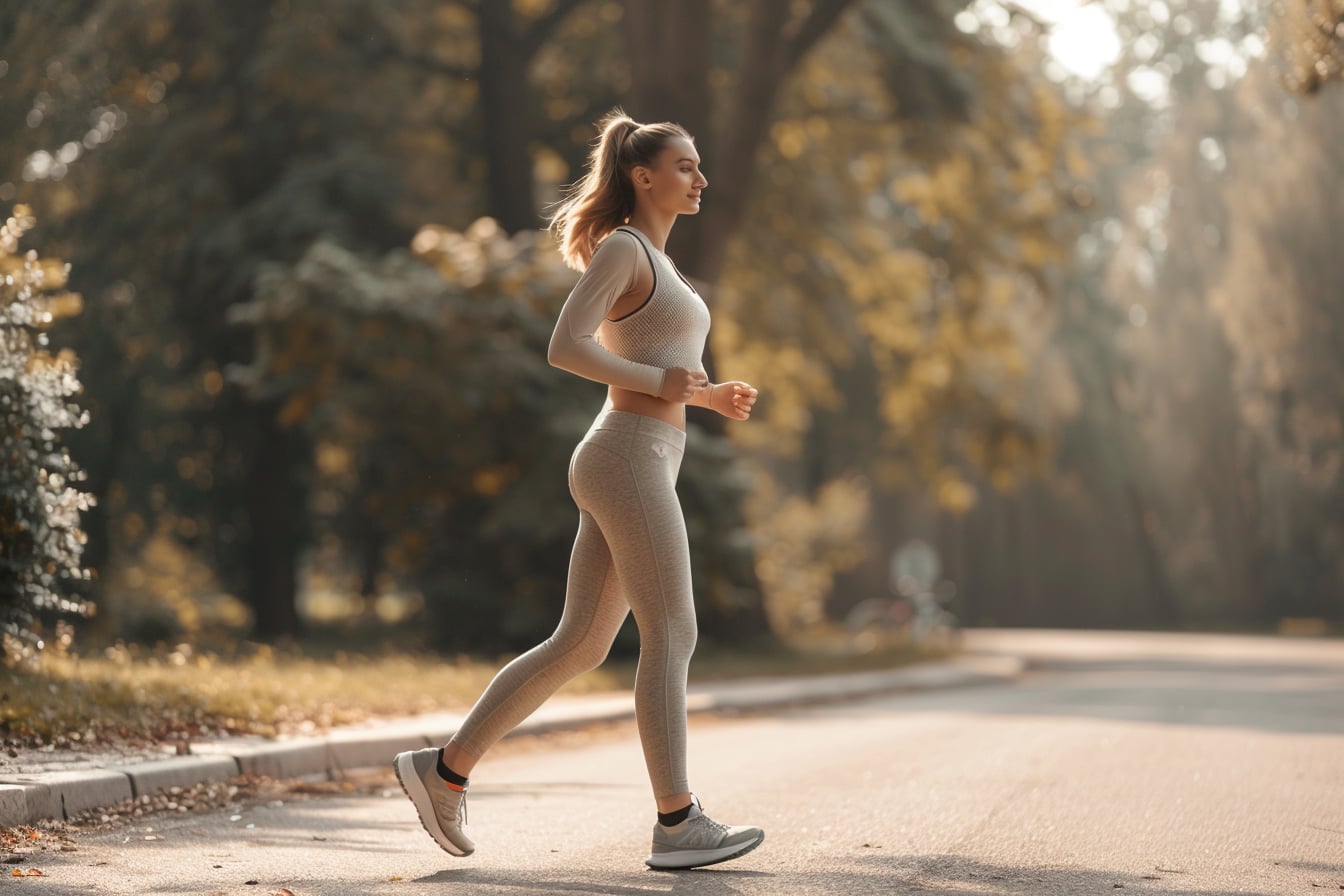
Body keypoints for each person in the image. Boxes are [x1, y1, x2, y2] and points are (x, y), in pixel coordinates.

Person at [393, 108, 764, 871]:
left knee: (581, 642)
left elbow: (657, 367)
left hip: (642, 453)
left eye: (698, 166)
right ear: (643, 175)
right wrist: (664, 383)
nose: (701, 178)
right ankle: (677, 822)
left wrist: (705, 396)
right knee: (674, 631)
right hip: (626, 454)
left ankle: (445, 771)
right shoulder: (627, 249)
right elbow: (568, 345)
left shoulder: (659, 265)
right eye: (686, 166)